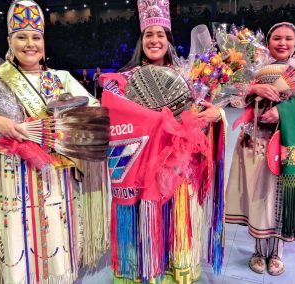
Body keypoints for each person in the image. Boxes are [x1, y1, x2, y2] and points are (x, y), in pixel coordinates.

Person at [0, 1, 108, 283]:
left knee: (56, 238)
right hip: (12, 181)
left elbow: (93, 118)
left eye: (36, 37)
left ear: (44, 41)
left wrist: (67, 122)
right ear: (9, 41)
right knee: (18, 243)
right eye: (22, 37)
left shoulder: (62, 79)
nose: (30, 44)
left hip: (55, 179)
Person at [103, 0, 226, 283]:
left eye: (160, 34)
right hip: (141, 167)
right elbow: (114, 111)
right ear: (141, 41)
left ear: (169, 41)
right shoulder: (121, 80)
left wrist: (215, 113)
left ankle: (174, 267)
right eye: (149, 34)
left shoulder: (189, 77)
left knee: (176, 215)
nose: (154, 40)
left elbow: (206, 111)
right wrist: (164, 121)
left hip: (176, 168)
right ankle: (140, 268)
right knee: (143, 217)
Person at [225, 22, 295, 276]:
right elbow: (232, 95)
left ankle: (277, 253)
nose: (282, 43)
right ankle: (259, 251)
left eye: (288, 38)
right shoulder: (253, 67)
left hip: (290, 142)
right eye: (277, 38)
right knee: (259, 196)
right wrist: (252, 88)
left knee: (280, 196)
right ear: (267, 42)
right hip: (255, 142)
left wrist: (282, 110)